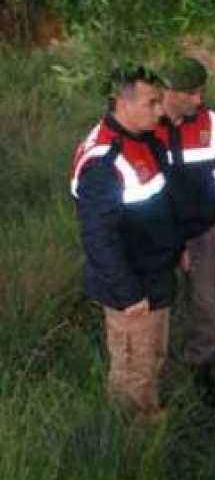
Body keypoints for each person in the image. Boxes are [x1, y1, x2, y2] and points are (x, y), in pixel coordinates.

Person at [70, 64, 183, 424]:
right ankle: (133, 454)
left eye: (160, 102)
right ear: (122, 102)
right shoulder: (103, 161)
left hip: (156, 274)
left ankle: (151, 424)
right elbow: (98, 237)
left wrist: (177, 249)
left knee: (152, 360)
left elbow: (157, 206)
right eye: (151, 103)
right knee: (133, 372)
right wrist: (129, 293)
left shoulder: (144, 138)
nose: (160, 111)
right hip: (132, 289)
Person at [155, 57, 215, 404]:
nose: (199, 100)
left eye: (202, 92)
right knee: (155, 304)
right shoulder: (145, 124)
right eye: (190, 93)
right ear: (167, 92)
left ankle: (201, 369)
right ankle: (153, 374)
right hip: (157, 236)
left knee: (205, 303)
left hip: (201, 231)